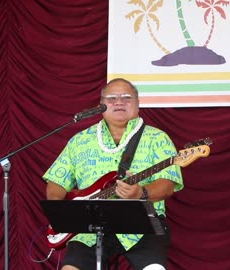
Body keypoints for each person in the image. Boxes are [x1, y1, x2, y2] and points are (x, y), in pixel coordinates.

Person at [44, 78, 183, 270]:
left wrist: (141, 193)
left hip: (143, 223)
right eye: (112, 98)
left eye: (127, 97)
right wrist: (63, 214)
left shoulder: (158, 138)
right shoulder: (79, 140)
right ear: (101, 105)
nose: (119, 102)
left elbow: (167, 184)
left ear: (138, 104)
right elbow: (57, 183)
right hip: (89, 226)